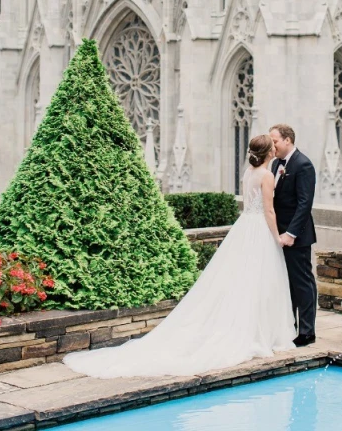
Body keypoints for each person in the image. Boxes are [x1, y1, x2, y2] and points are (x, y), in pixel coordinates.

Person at [63, 134, 295, 379]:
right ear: (269, 152)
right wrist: (277, 236)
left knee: (241, 282)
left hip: (244, 226)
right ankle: (258, 333)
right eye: (273, 146)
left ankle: (253, 331)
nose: (275, 147)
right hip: (258, 229)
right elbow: (268, 210)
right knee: (258, 282)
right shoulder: (267, 175)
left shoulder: (249, 172)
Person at [269, 124, 317, 346]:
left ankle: (307, 332)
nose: (272, 145)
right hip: (278, 235)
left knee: (302, 282)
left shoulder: (303, 164)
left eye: (275, 141)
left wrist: (290, 233)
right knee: (285, 283)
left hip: (296, 237)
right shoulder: (275, 164)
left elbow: (304, 204)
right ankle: (291, 326)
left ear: (287, 140)